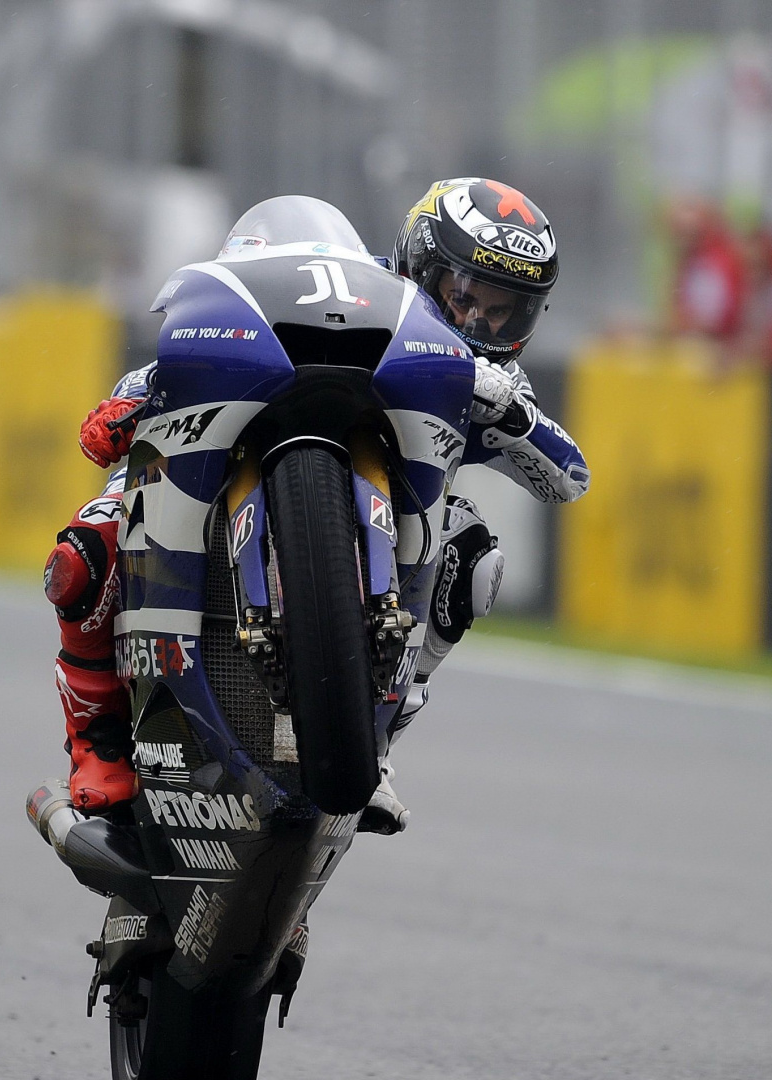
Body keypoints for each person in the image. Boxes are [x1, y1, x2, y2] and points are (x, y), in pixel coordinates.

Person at [46, 179, 590, 834]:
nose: (478, 321)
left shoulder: (488, 371)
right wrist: (141, 392)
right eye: (464, 294)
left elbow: (569, 478)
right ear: (419, 263)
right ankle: (94, 738)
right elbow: (194, 352)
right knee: (84, 549)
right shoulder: (350, 291)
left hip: (387, 527)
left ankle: (378, 733)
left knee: (473, 554)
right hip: (231, 449)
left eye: (504, 310)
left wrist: (514, 411)